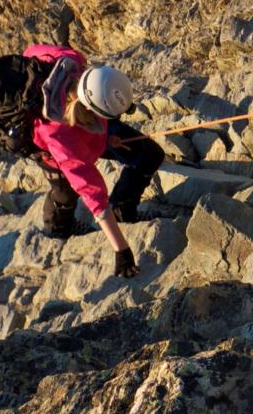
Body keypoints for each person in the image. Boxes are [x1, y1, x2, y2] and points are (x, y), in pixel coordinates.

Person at [24, 44, 165, 277]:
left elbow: (31, 50)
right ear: (96, 112)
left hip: (95, 128)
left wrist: (107, 137)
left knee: (149, 154)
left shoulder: (72, 60)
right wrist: (121, 249)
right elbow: (93, 193)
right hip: (48, 149)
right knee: (66, 192)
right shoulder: (61, 137)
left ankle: (122, 208)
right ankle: (59, 228)